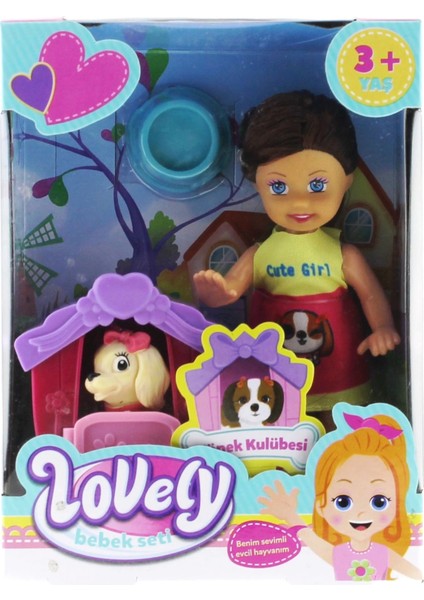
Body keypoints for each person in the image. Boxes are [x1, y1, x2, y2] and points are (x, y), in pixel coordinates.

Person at [193, 91, 400, 429]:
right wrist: (218, 294)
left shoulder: (342, 253)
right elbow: (231, 289)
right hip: (273, 370)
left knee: (338, 421)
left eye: (318, 184)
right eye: (278, 187)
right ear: (258, 185)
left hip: (340, 366)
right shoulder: (260, 253)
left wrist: (383, 328)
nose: (300, 202)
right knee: (279, 418)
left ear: (347, 181)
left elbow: (371, 295)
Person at [258, 412, 422, 581]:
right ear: (321, 505)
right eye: (343, 502)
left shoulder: (383, 553)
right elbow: (309, 537)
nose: (361, 514)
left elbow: (417, 575)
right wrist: (290, 516)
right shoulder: (339, 553)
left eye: (379, 502)